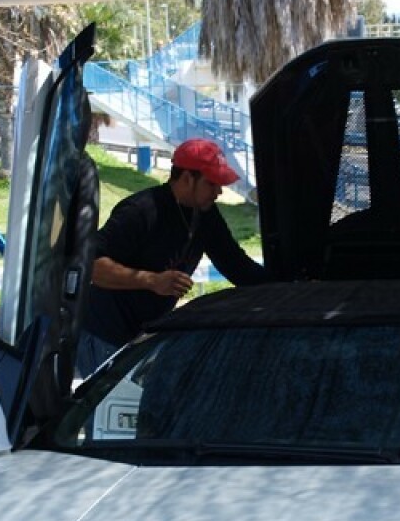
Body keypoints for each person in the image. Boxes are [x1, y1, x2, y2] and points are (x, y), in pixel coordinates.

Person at [78, 138, 269, 376]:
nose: (219, 192)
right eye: (212, 184)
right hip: (105, 336)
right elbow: (93, 268)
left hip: (145, 338)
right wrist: (152, 281)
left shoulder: (205, 214)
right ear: (188, 178)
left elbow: (236, 265)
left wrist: (285, 287)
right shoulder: (140, 211)